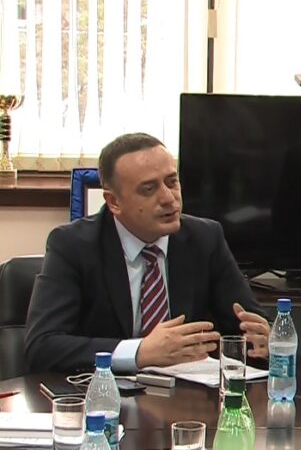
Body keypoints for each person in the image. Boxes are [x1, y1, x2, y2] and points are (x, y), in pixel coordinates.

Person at [25, 133, 270, 373]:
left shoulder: (205, 238)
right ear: (114, 202)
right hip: (106, 392)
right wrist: (139, 352)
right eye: (149, 189)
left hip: (187, 393)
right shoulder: (73, 246)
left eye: (172, 182)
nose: (169, 198)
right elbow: (42, 346)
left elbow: (248, 326)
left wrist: (266, 341)